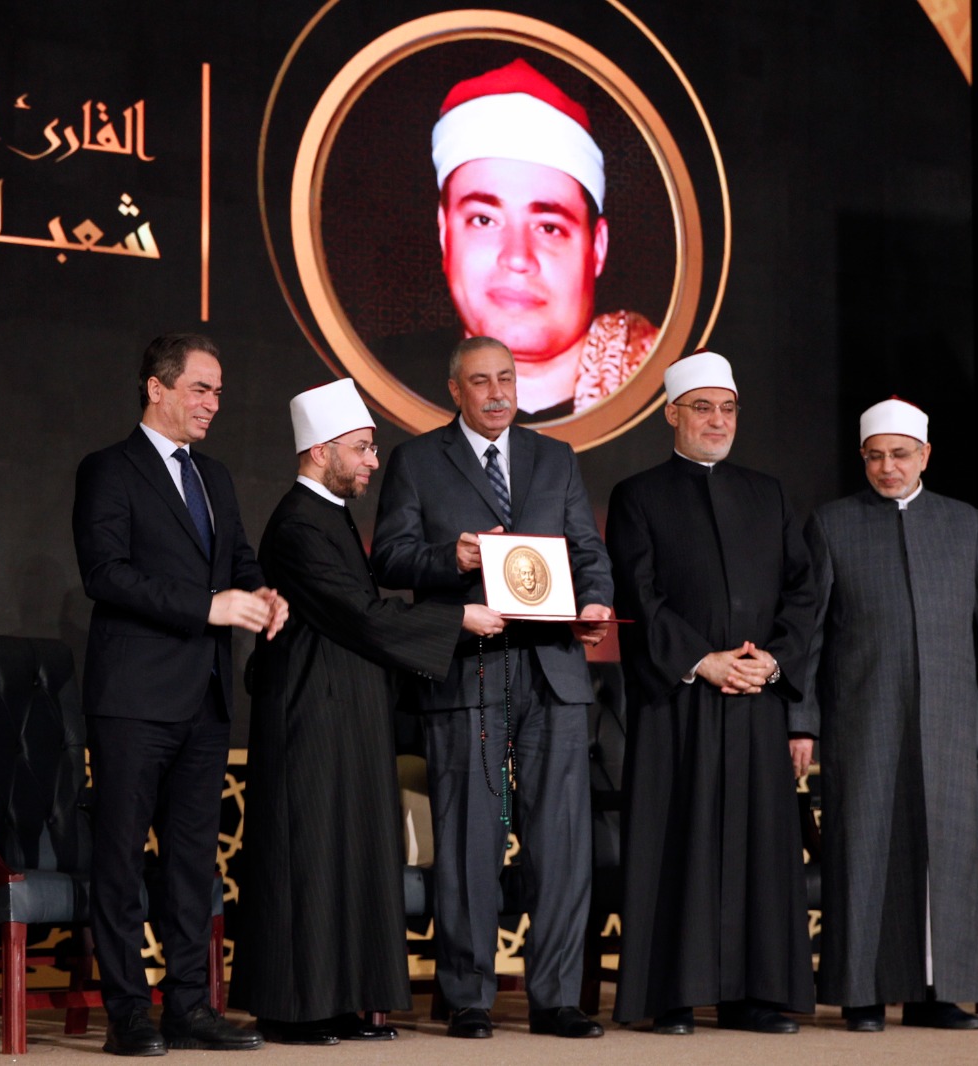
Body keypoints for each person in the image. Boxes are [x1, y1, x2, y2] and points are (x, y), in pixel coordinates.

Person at [230, 379, 506, 1045]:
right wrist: (457, 619)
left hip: (345, 714)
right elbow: (360, 614)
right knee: (308, 861)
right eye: (361, 449)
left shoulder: (328, 515)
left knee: (347, 859)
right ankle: (291, 1010)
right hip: (308, 716)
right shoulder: (299, 523)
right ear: (320, 451)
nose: (373, 462)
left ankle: (343, 1003)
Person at [372, 335, 615, 1039]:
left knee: (560, 842)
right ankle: (469, 995)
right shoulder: (419, 460)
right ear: (456, 390)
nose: (498, 392)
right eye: (481, 381)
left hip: (553, 669)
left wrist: (594, 603)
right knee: (469, 838)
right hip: (469, 668)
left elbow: (587, 551)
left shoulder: (554, 457)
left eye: (506, 378)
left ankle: (556, 998)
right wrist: (449, 558)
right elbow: (389, 557)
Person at [72, 331, 288, 1056]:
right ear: (156, 388)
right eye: (201, 388)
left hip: (205, 698)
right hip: (133, 698)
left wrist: (262, 594)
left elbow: (239, 561)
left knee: (194, 862)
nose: (213, 403)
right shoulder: (109, 469)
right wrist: (208, 607)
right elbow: (105, 573)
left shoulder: (214, 477)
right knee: (121, 858)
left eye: (219, 391)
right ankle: (128, 1012)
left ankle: (191, 1006)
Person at [794, 397, 978, 1032]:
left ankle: (938, 995)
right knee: (863, 850)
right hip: (862, 717)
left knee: (944, 856)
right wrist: (802, 722)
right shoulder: (833, 524)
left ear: (925, 455)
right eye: (875, 456)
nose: (887, 468)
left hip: (946, 720)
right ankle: (862, 995)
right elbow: (809, 637)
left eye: (900, 455)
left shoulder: (963, 524)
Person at [606, 350, 815, 1035]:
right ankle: (671, 994)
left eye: (728, 409)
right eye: (703, 408)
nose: (718, 421)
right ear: (673, 413)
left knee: (759, 846)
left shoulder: (770, 493)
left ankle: (752, 995)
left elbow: (804, 593)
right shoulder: (638, 495)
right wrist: (702, 661)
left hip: (757, 697)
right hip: (680, 700)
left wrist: (772, 662)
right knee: (677, 841)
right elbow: (639, 595)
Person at [383, 59, 657, 419]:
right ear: (445, 233)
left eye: (549, 227)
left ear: (597, 247)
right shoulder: (375, 391)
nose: (516, 257)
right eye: (484, 220)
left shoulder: (668, 394)